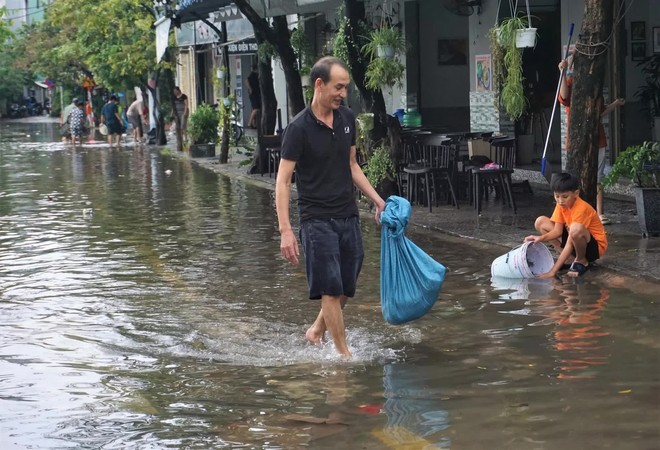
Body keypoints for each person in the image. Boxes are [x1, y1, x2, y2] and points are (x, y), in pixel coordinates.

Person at [275, 56, 386, 358]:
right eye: (338, 87)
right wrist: (286, 231)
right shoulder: (298, 129)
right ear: (319, 84)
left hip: (348, 215)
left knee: (345, 286)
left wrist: (377, 201)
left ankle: (315, 331)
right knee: (329, 288)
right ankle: (343, 355)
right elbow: (283, 182)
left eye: (346, 88)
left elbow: (352, 165)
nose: (343, 94)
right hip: (316, 220)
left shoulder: (347, 118)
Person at [558, 54, 625, 225]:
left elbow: (599, 111)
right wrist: (564, 72)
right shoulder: (571, 82)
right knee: (574, 177)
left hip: (598, 138)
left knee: (598, 177)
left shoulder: (594, 84)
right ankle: (573, 213)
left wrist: (615, 104)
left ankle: (599, 213)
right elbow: (564, 98)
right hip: (576, 140)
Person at [524, 172, 608, 278]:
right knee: (540, 222)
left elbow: (570, 242)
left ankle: (581, 260)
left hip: (593, 248)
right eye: (557, 196)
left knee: (575, 229)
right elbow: (557, 231)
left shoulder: (581, 208)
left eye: (565, 196)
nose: (560, 201)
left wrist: (553, 272)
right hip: (573, 237)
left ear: (576, 194)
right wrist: (540, 238)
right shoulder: (561, 205)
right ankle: (570, 259)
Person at [245, 64, 261, 128]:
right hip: (253, 94)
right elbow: (246, 81)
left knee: (256, 109)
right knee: (256, 109)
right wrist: (250, 89)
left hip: (256, 94)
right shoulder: (253, 75)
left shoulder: (257, 75)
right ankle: (249, 122)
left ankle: (253, 123)